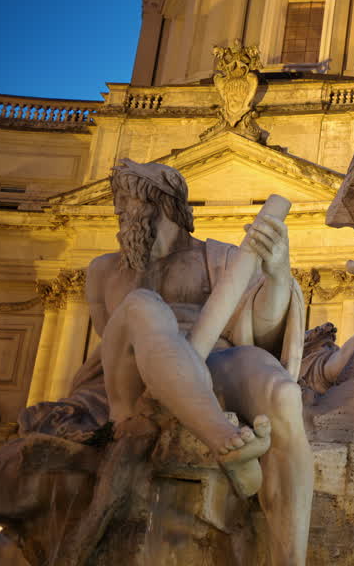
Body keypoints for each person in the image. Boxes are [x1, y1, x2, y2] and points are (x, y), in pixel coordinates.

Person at [87, 159, 311, 566]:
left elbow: (262, 328)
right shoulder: (104, 271)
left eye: (126, 203)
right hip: (136, 375)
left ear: (162, 204)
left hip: (213, 361)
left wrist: (277, 274)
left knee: (284, 395)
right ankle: (223, 438)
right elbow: (108, 349)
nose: (118, 212)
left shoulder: (222, 258)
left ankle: (290, 559)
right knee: (144, 306)